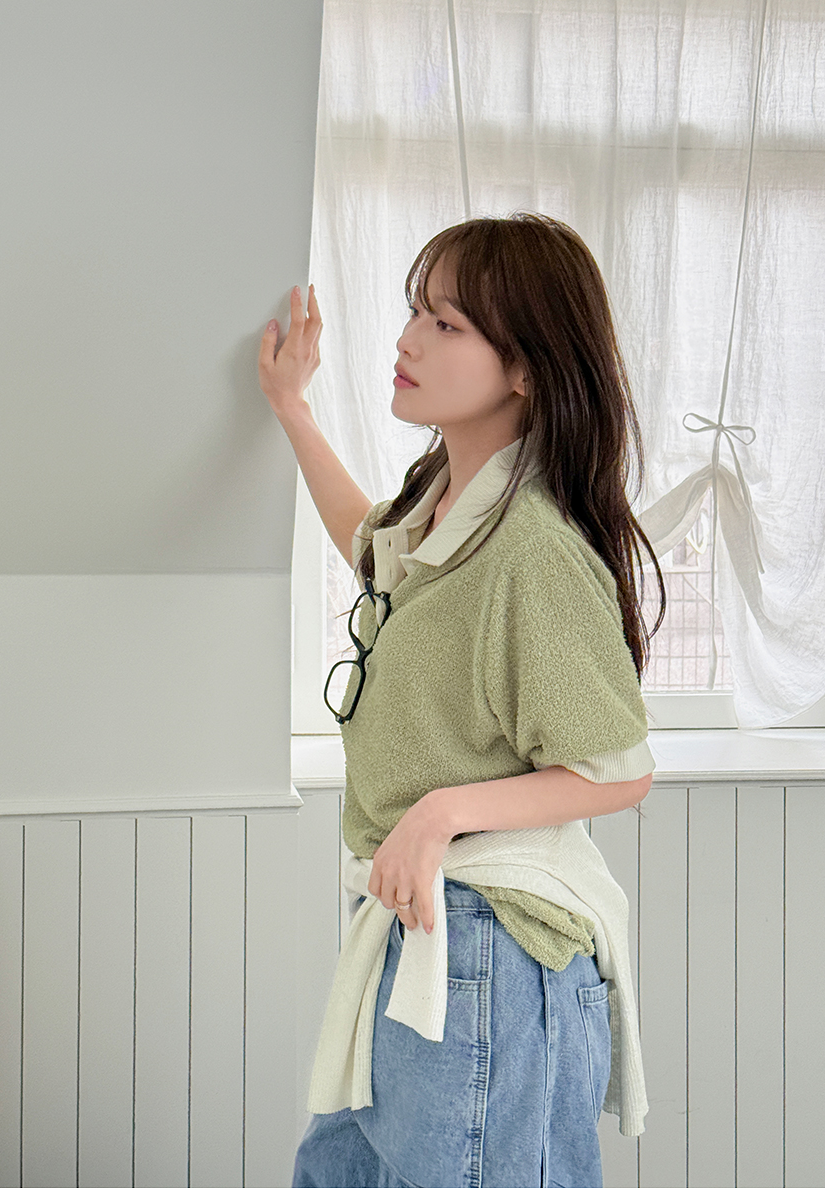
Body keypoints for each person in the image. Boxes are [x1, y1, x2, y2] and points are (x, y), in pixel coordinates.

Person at [258, 213, 667, 1188]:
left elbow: (618, 772)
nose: (408, 340)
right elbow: (371, 546)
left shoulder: (533, 550)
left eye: (445, 324)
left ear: (523, 367)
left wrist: (441, 812)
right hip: (428, 936)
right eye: (415, 312)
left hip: (491, 955)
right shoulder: (445, 503)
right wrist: (292, 410)